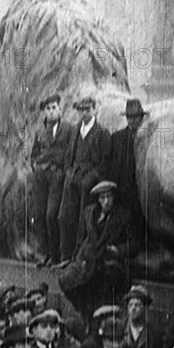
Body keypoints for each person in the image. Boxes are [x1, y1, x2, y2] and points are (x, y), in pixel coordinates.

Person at [58, 181, 139, 319]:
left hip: (109, 262)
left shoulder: (124, 216)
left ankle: (98, 316)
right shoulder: (88, 213)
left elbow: (134, 244)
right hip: (87, 260)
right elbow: (80, 240)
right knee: (64, 280)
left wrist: (118, 249)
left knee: (103, 288)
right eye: (102, 198)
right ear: (98, 199)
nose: (106, 201)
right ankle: (86, 311)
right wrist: (74, 260)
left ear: (114, 197)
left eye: (109, 197)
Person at [57, 96, 111, 264]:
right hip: (73, 176)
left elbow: (105, 162)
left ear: (94, 110)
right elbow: (68, 155)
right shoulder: (75, 130)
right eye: (80, 110)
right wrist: (69, 172)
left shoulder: (102, 133)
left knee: (84, 219)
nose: (84, 113)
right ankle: (65, 256)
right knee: (64, 216)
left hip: (89, 180)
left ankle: (79, 257)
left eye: (87, 109)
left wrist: (91, 177)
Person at [31, 94, 74, 267]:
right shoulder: (40, 131)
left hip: (57, 176)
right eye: (48, 108)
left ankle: (57, 255)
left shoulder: (68, 129)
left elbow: (70, 153)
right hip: (41, 177)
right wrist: (35, 166)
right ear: (44, 112)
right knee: (39, 215)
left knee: (52, 215)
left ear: (60, 109)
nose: (51, 111)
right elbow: (34, 153)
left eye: (54, 107)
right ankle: (45, 254)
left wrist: (63, 171)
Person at [108, 98, 148, 233]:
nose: (132, 121)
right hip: (122, 188)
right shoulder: (116, 138)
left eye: (136, 117)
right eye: (129, 117)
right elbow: (112, 165)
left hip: (140, 189)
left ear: (142, 118)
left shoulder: (148, 138)